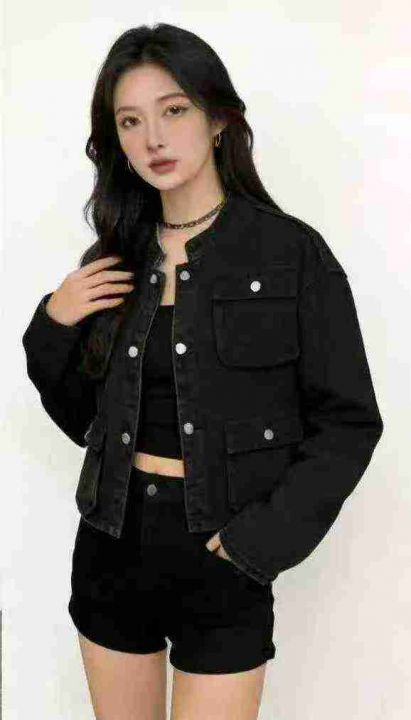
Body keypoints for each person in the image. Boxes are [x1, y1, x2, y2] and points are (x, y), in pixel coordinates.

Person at [21, 22, 383, 720]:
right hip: (111, 546)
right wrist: (54, 323)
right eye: (130, 121)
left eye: (174, 109)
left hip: (222, 553)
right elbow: (82, 420)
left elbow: (347, 424)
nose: (153, 138)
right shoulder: (114, 262)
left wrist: (259, 542)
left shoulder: (290, 254)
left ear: (218, 119)